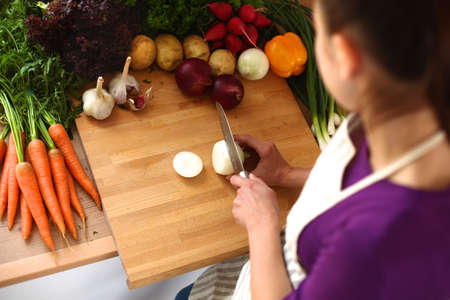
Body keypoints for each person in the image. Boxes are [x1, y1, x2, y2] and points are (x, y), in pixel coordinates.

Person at [180, 0, 450, 299]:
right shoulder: (410, 114)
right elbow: (360, 187)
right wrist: (287, 174)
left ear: (346, 55)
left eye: (317, 31)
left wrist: (262, 227)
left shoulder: (372, 241)